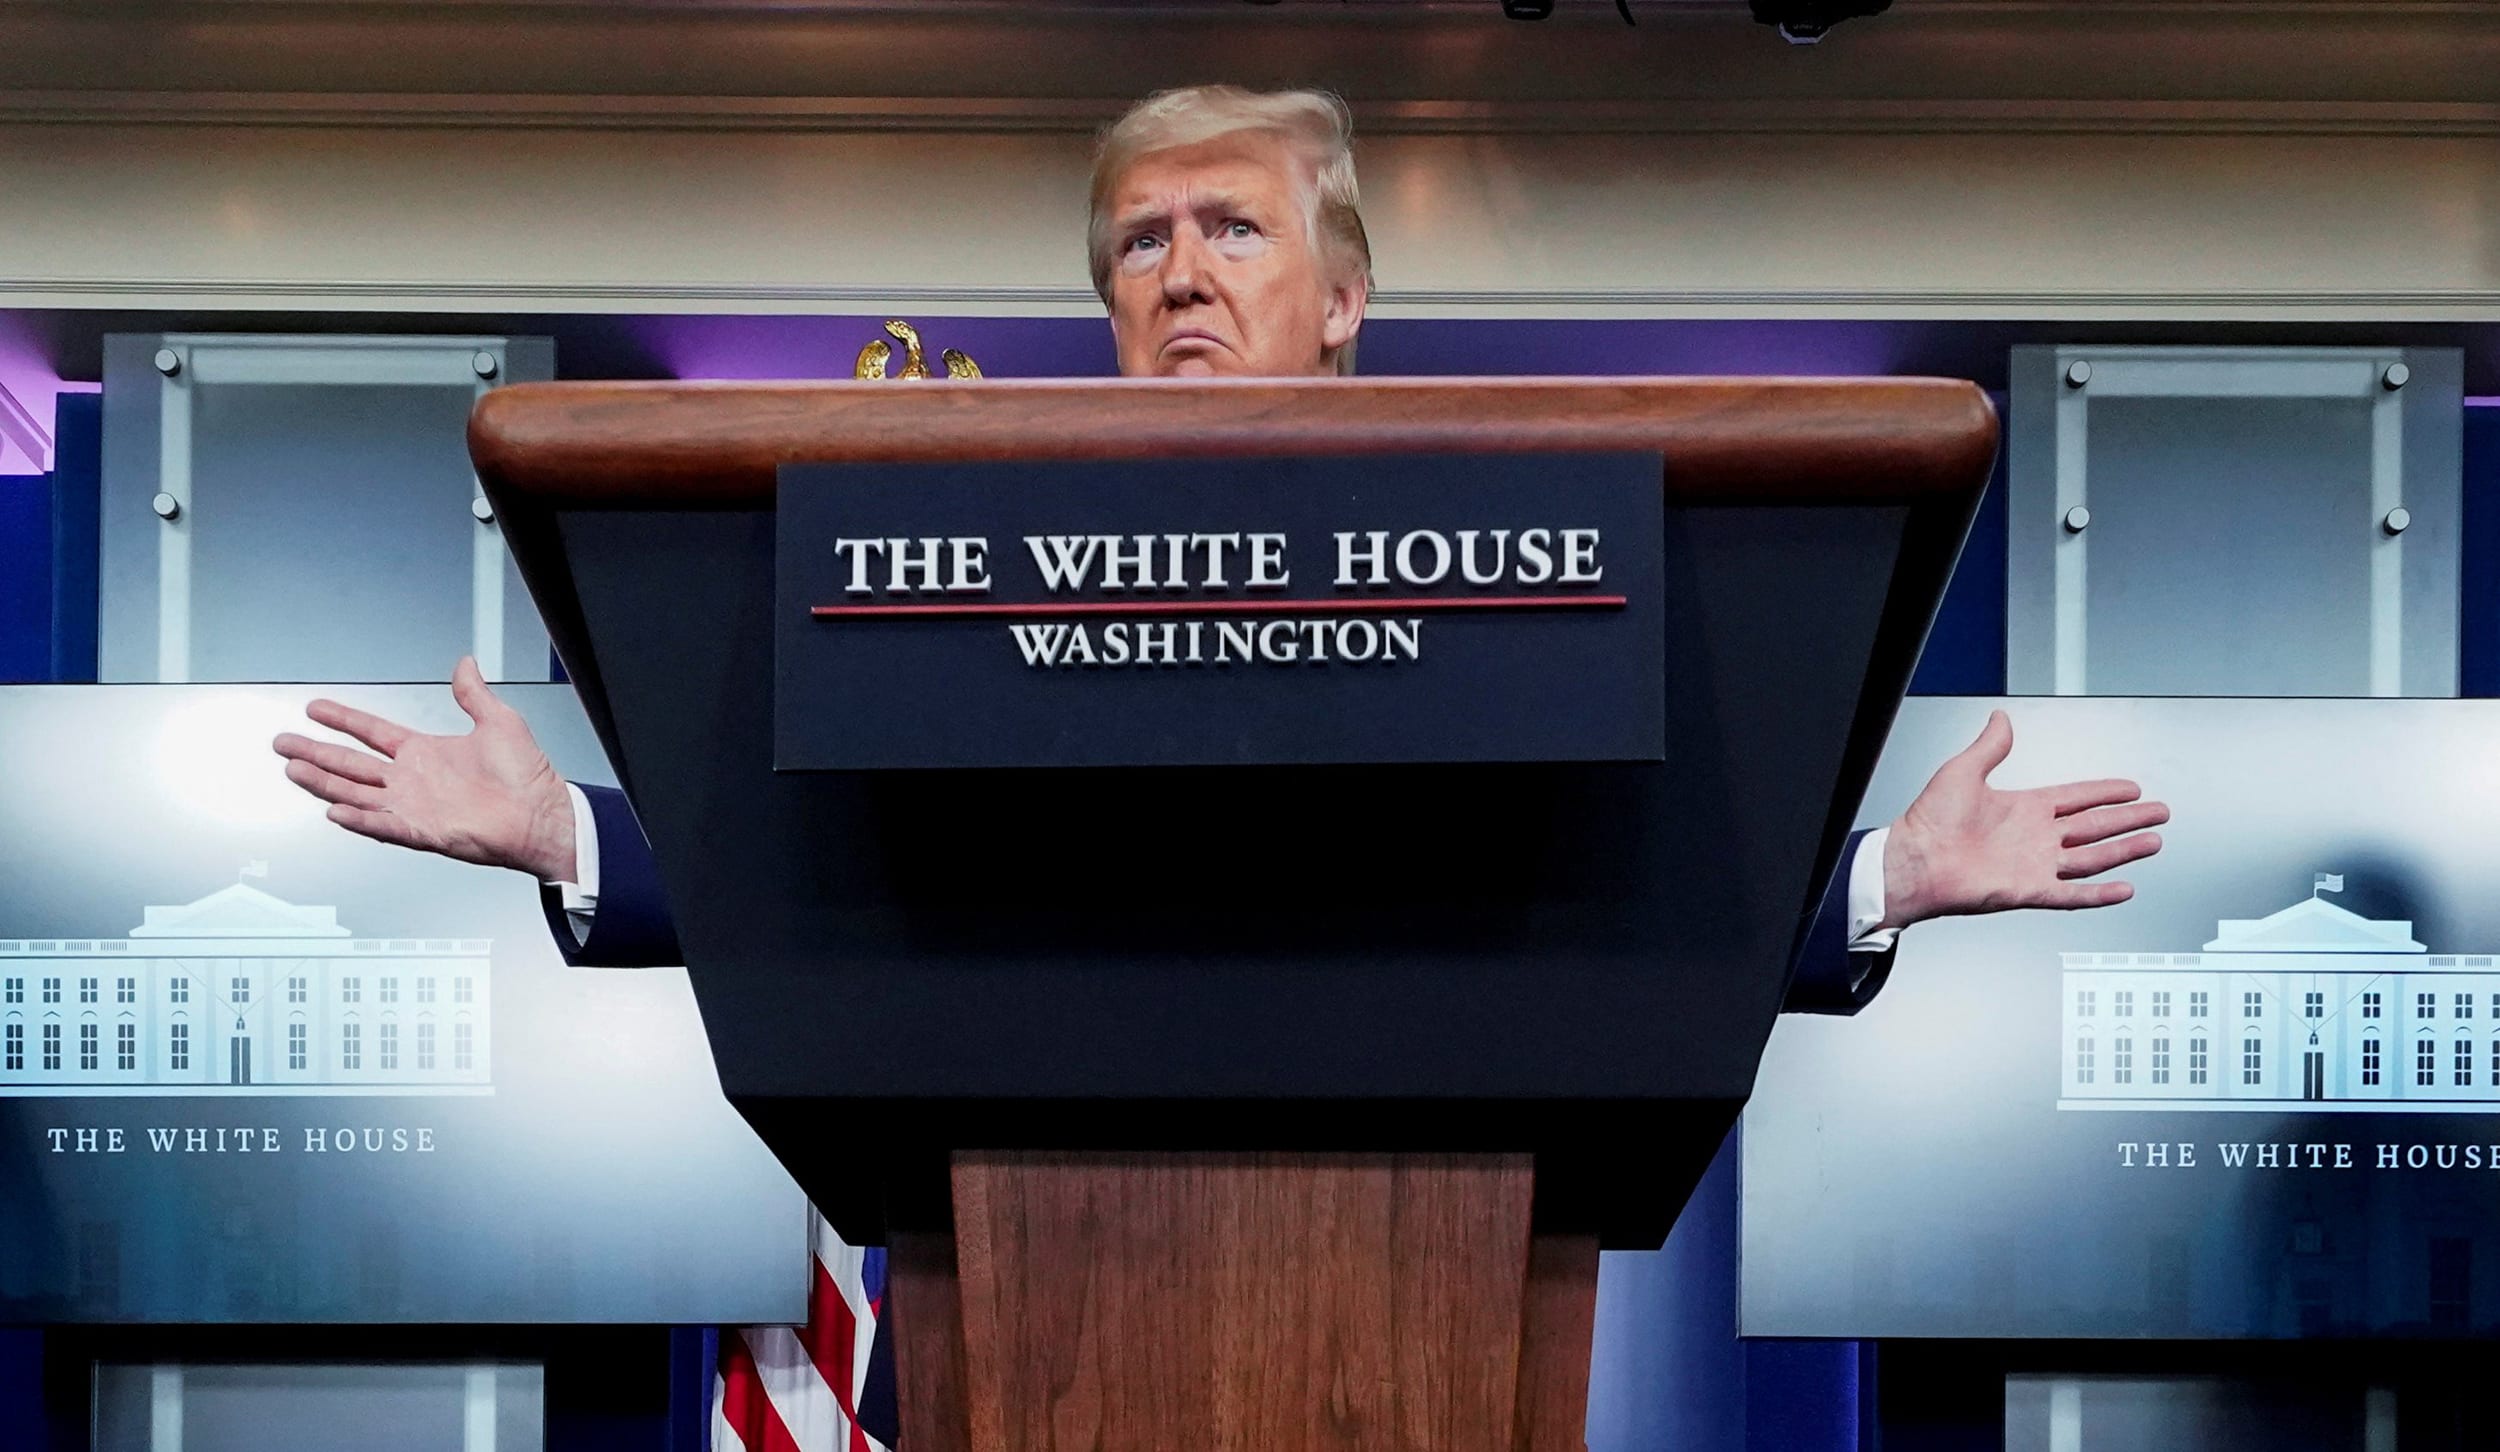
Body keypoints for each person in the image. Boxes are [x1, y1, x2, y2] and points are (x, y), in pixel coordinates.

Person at [272, 85, 2167, 1013]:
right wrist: (566, 832)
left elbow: (1611, 890)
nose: (1180, 271)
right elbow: (843, 876)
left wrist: (1891, 879)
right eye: (1142, 240)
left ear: (1343, 300)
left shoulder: (1509, 554)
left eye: (1233, 230)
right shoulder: (976, 558)